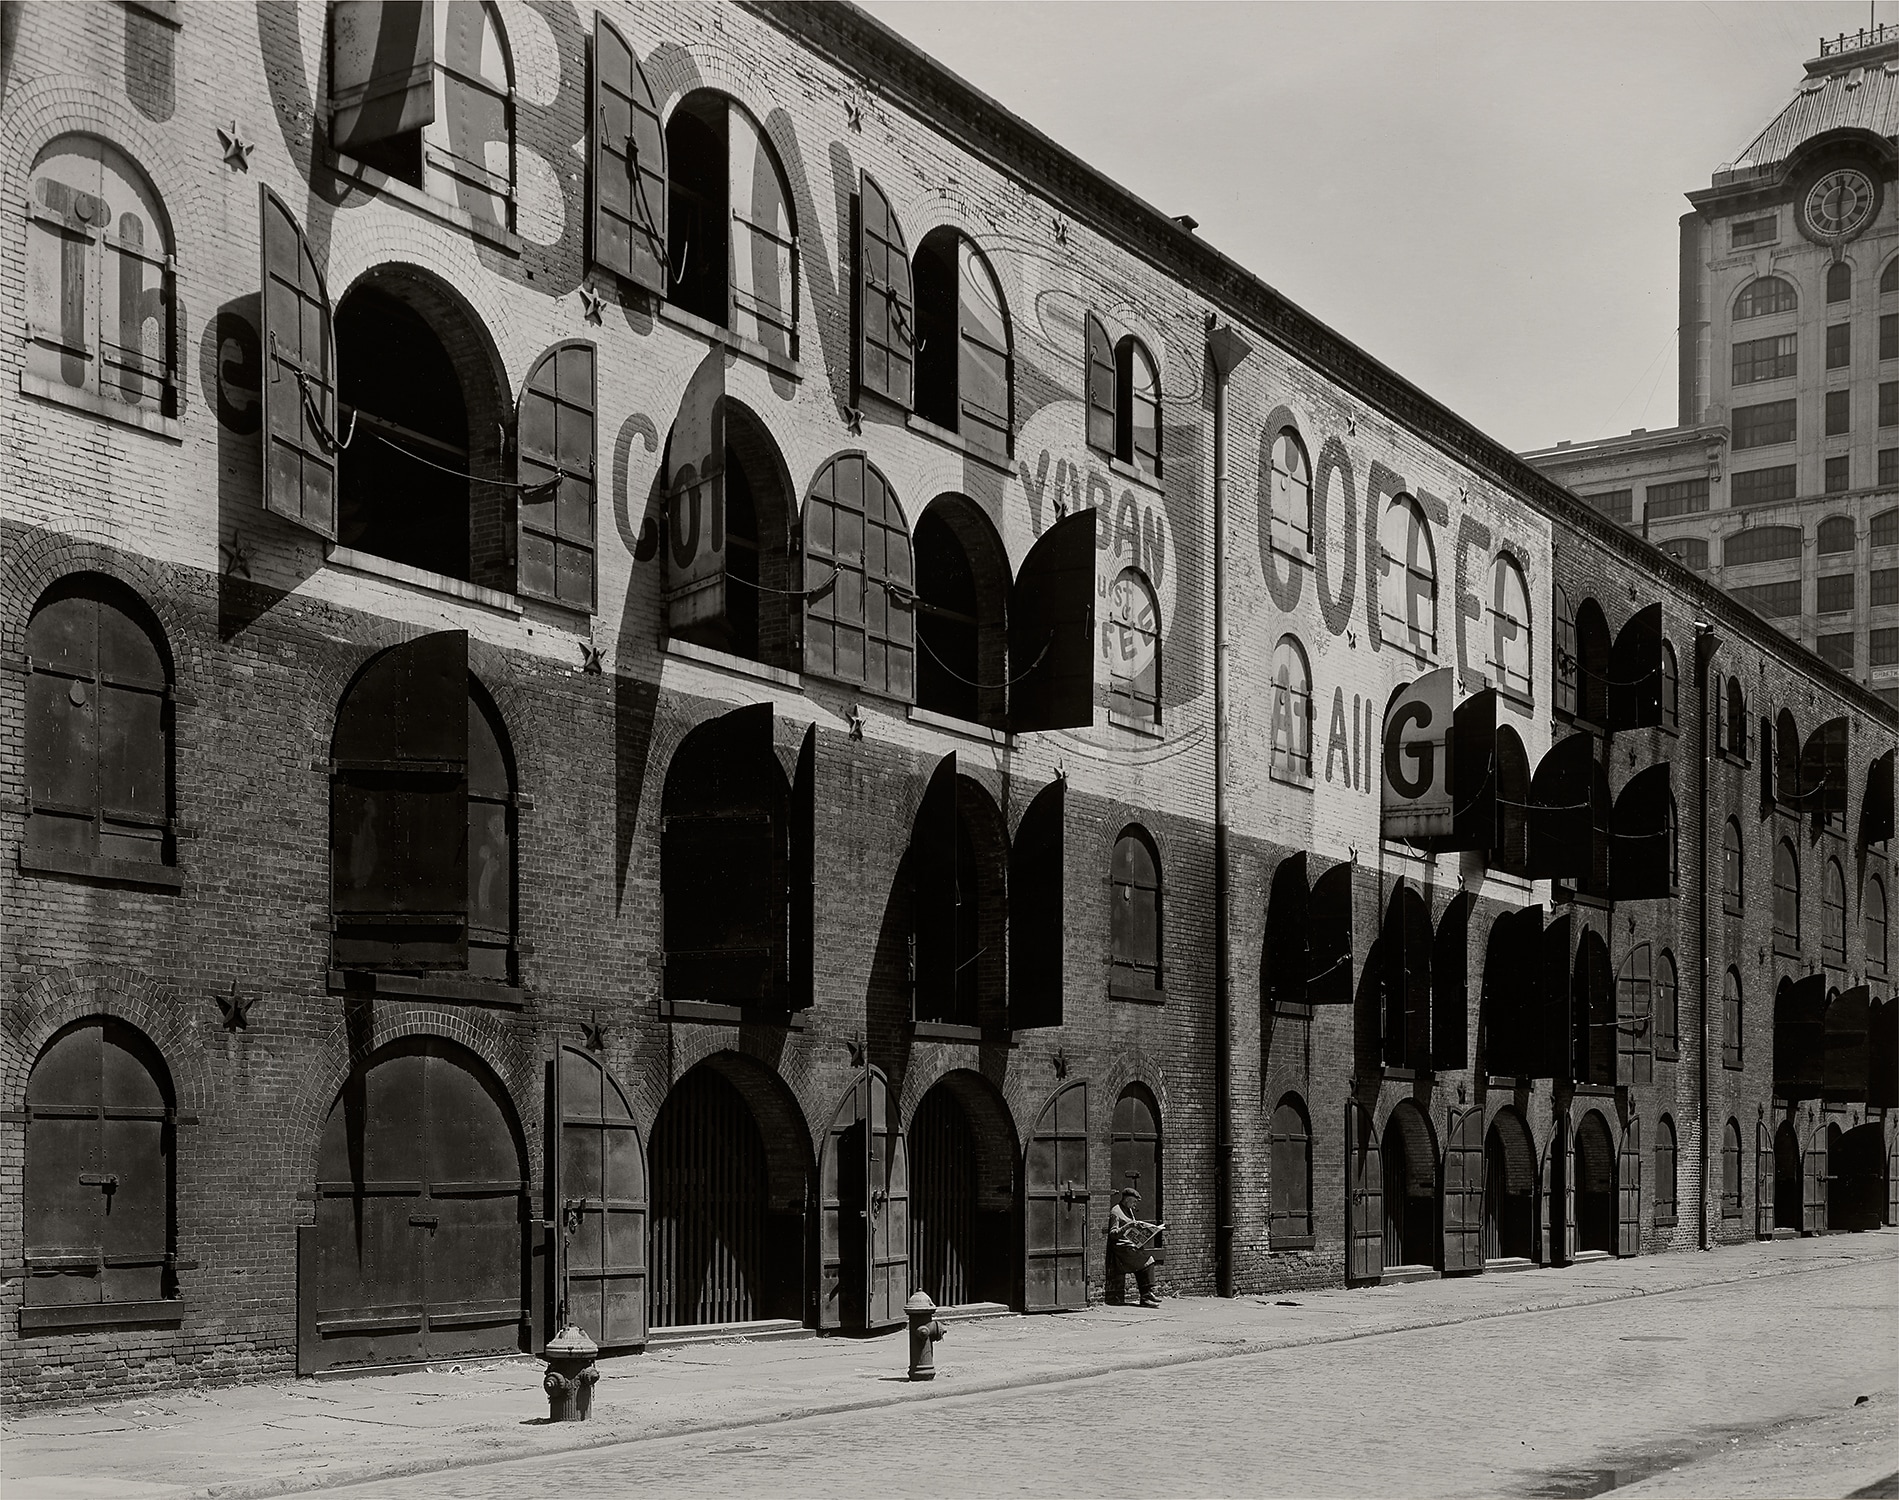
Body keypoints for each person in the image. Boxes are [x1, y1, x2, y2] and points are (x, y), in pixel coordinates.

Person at [1107, 1187, 1162, 1307]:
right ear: (1127, 1200)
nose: (1135, 1204)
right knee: (1148, 1261)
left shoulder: (1129, 1210)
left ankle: (1146, 1296)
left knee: (1143, 1264)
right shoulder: (1116, 1212)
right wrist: (1127, 1227)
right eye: (1134, 1202)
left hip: (1131, 1246)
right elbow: (1113, 1234)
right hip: (1122, 1249)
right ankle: (1147, 1294)